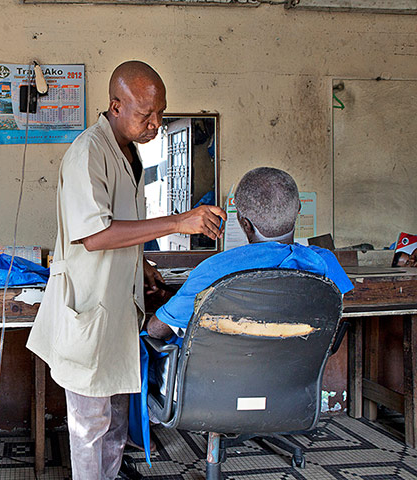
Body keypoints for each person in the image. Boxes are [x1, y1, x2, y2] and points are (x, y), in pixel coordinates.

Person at [26, 61, 226, 480]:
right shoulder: (88, 152)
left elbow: (118, 229)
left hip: (117, 313)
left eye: (160, 113)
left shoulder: (128, 152)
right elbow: (95, 236)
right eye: (145, 115)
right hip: (88, 312)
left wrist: (142, 263)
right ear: (115, 106)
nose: (155, 124)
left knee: (116, 424)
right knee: (89, 427)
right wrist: (177, 222)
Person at [139, 168, 354, 433]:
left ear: (244, 223)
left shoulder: (216, 268)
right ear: (298, 209)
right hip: (288, 387)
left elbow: (156, 330)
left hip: (209, 392)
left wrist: (168, 306)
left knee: (145, 343)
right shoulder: (325, 264)